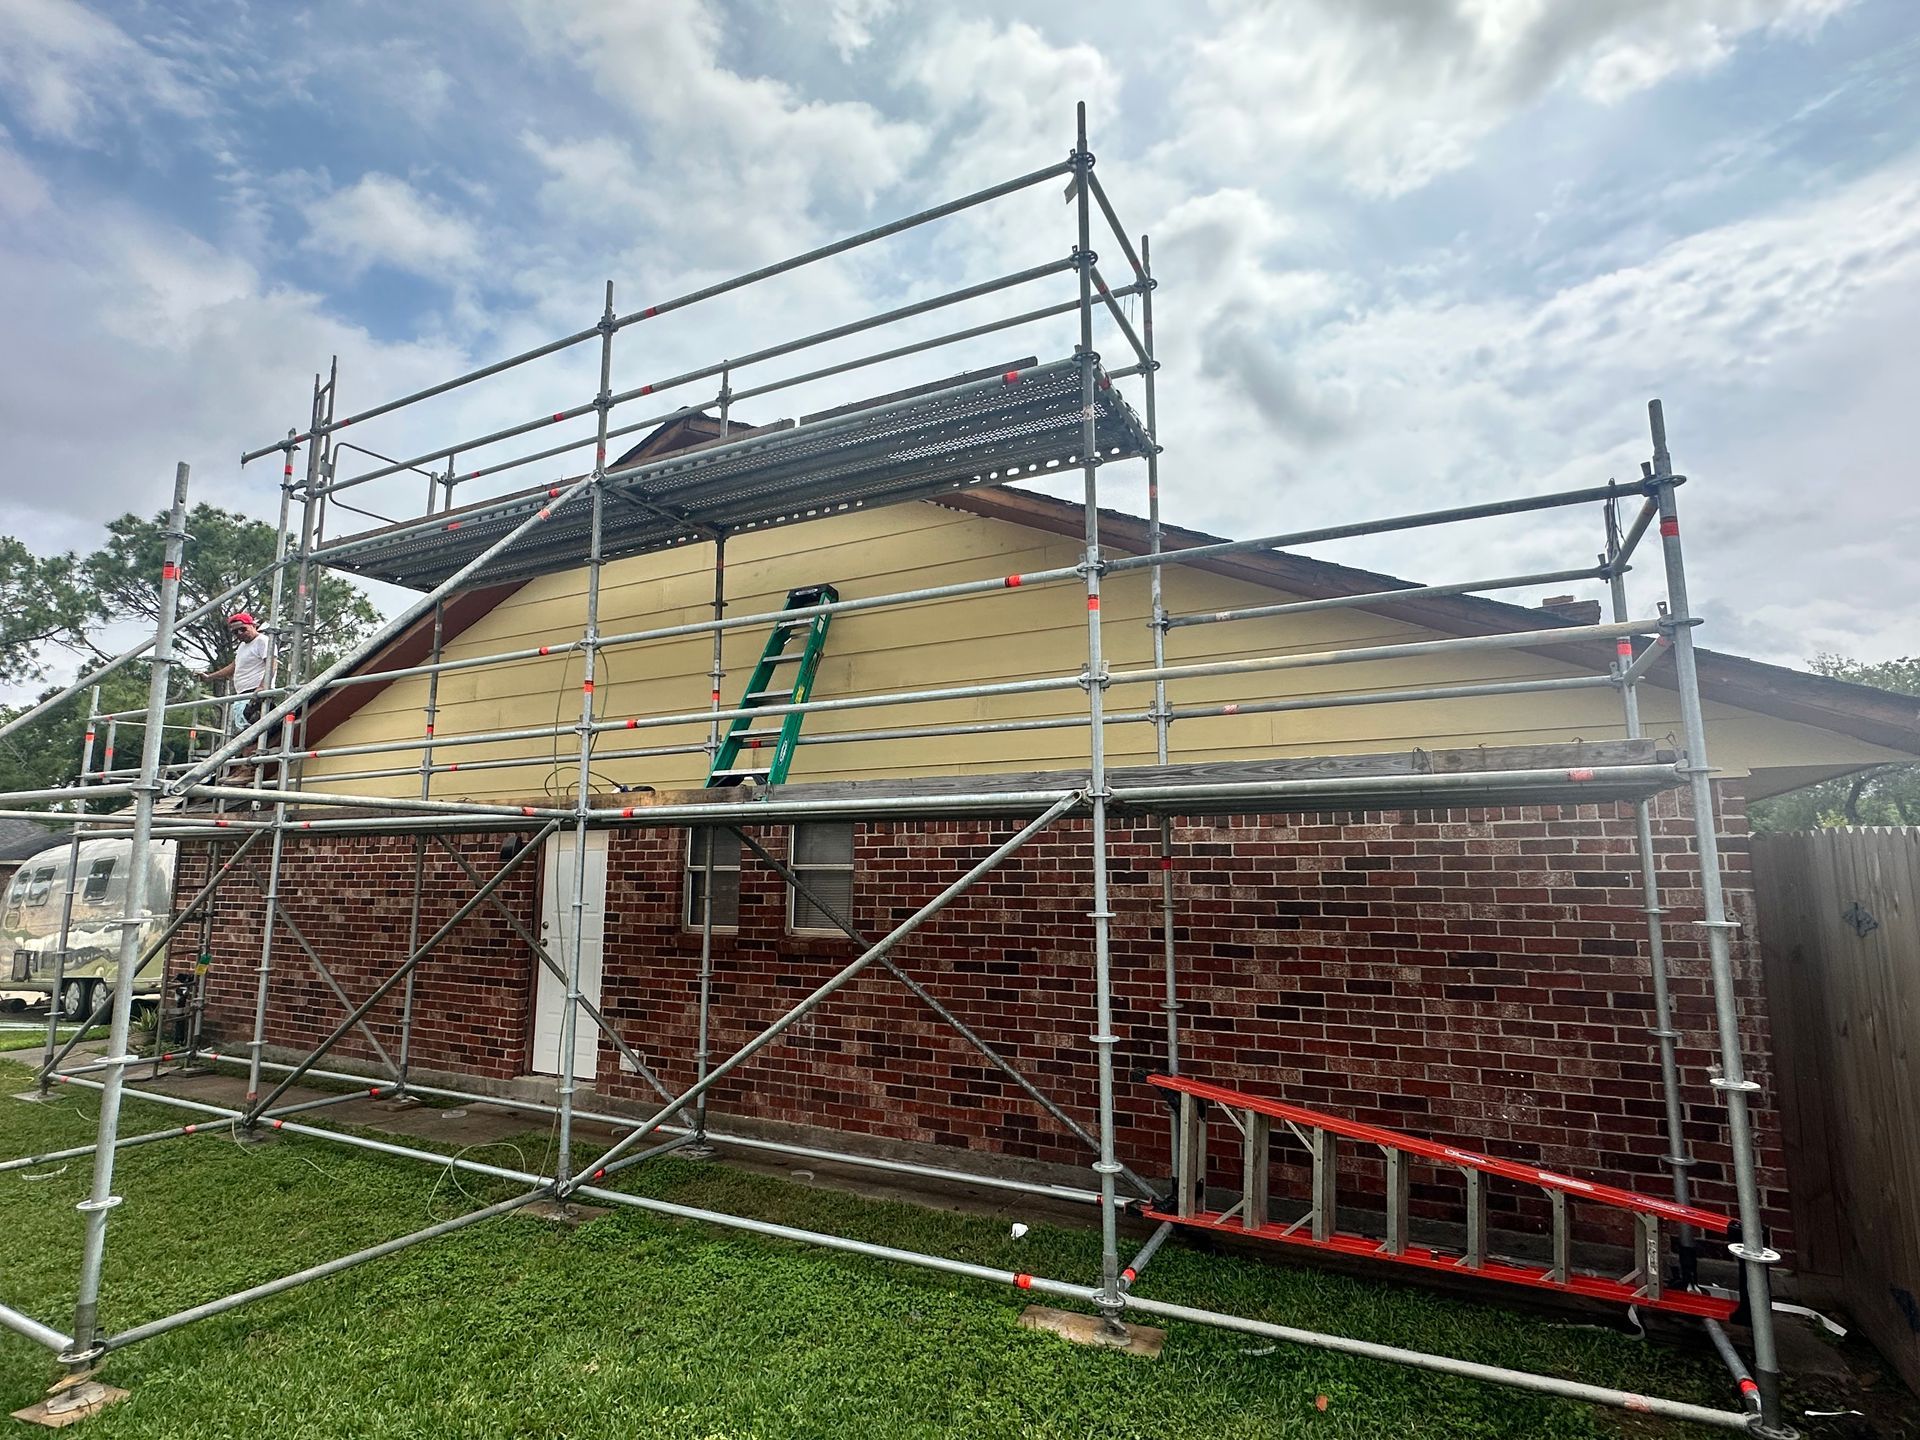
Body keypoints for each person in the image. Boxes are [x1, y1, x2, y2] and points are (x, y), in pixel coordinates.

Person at [200, 612, 280, 753]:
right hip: (243, 694)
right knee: (244, 733)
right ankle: (248, 759)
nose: (239, 634)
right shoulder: (243, 647)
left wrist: (262, 686)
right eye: (235, 632)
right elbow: (234, 666)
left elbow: (272, 664)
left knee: (252, 732)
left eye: (243, 629)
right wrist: (209, 677)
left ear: (253, 625)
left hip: (256, 694)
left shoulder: (262, 641)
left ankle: (254, 760)